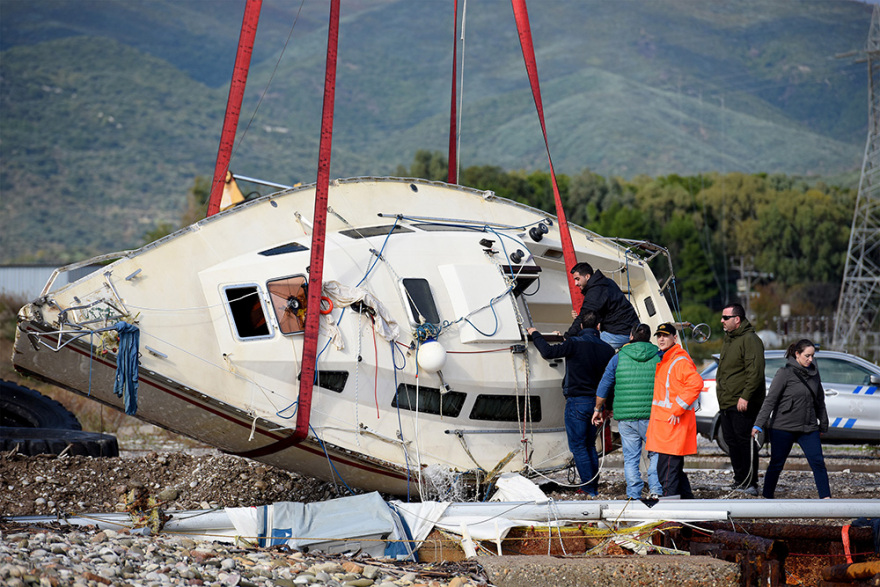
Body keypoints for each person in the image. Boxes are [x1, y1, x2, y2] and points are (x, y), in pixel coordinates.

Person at [528, 311, 615, 496]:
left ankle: (589, 488)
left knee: (578, 446)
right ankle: (592, 485)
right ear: (598, 327)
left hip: (577, 402)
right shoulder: (607, 349)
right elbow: (611, 379)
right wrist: (608, 407)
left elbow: (548, 352)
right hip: (597, 404)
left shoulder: (574, 343)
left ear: (581, 326)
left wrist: (535, 333)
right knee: (590, 445)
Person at [752, 339, 831, 499]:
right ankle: (767, 498)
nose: (810, 359)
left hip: (808, 428)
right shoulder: (784, 373)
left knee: (818, 462)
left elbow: (820, 401)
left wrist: (823, 425)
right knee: (776, 464)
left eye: (812, 356)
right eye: (807, 356)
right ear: (797, 354)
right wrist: (758, 424)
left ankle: (826, 498)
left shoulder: (814, 374)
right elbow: (770, 400)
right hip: (783, 427)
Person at [592, 323, 663, 500]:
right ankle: (656, 490)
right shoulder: (659, 357)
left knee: (631, 458)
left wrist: (598, 409)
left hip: (626, 417)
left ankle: (634, 494)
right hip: (653, 416)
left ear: (631, 337)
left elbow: (604, 385)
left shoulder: (618, 357)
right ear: (649, 338)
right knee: (655, 454)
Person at [645, 323, 703, 499]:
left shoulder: (678, 360)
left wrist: (677, 409)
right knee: (672, 471)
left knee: (668, 473)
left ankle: (670, 510)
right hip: (667, 427)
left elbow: (696, 384)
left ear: (674, 337)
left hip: (672, 428)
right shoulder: (668, 360)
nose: (661, 339)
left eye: (665, 335)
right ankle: (688, 505)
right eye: (659, 336)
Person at [716, 302, 765, 495]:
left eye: (725, 318)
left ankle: (750, 483)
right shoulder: (729, 339)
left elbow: (756, 372)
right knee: (732, 442)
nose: (722, 321)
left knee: (745, 442)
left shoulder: (750, 340)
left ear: (737, 319)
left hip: (742, 403)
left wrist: (745, 396)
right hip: (727, 402)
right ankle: (739, 480)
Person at [565, 262, 639, 349]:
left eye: (577, 279)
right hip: (631, 329)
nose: (575, 283)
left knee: (591, 350)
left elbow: (584, 315)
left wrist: (567, 338)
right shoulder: (606, 282)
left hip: (620, 332)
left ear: (587, 277)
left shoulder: (595, 291)